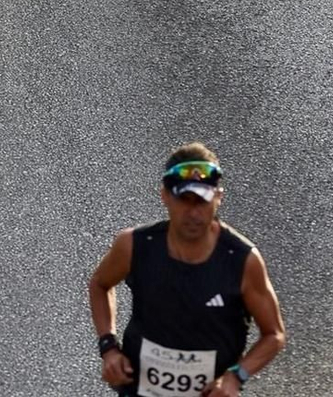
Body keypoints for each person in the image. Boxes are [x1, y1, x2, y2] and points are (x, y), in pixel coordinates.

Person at [88, 146, 286, 395]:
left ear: (218, 198)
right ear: (165, 196)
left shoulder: (242, 260)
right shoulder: (135, 245)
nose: (193, 213)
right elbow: (100, 283)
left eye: (202, 201)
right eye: (184, 200)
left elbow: (274, 334)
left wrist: (237, 376)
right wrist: (108, 347)